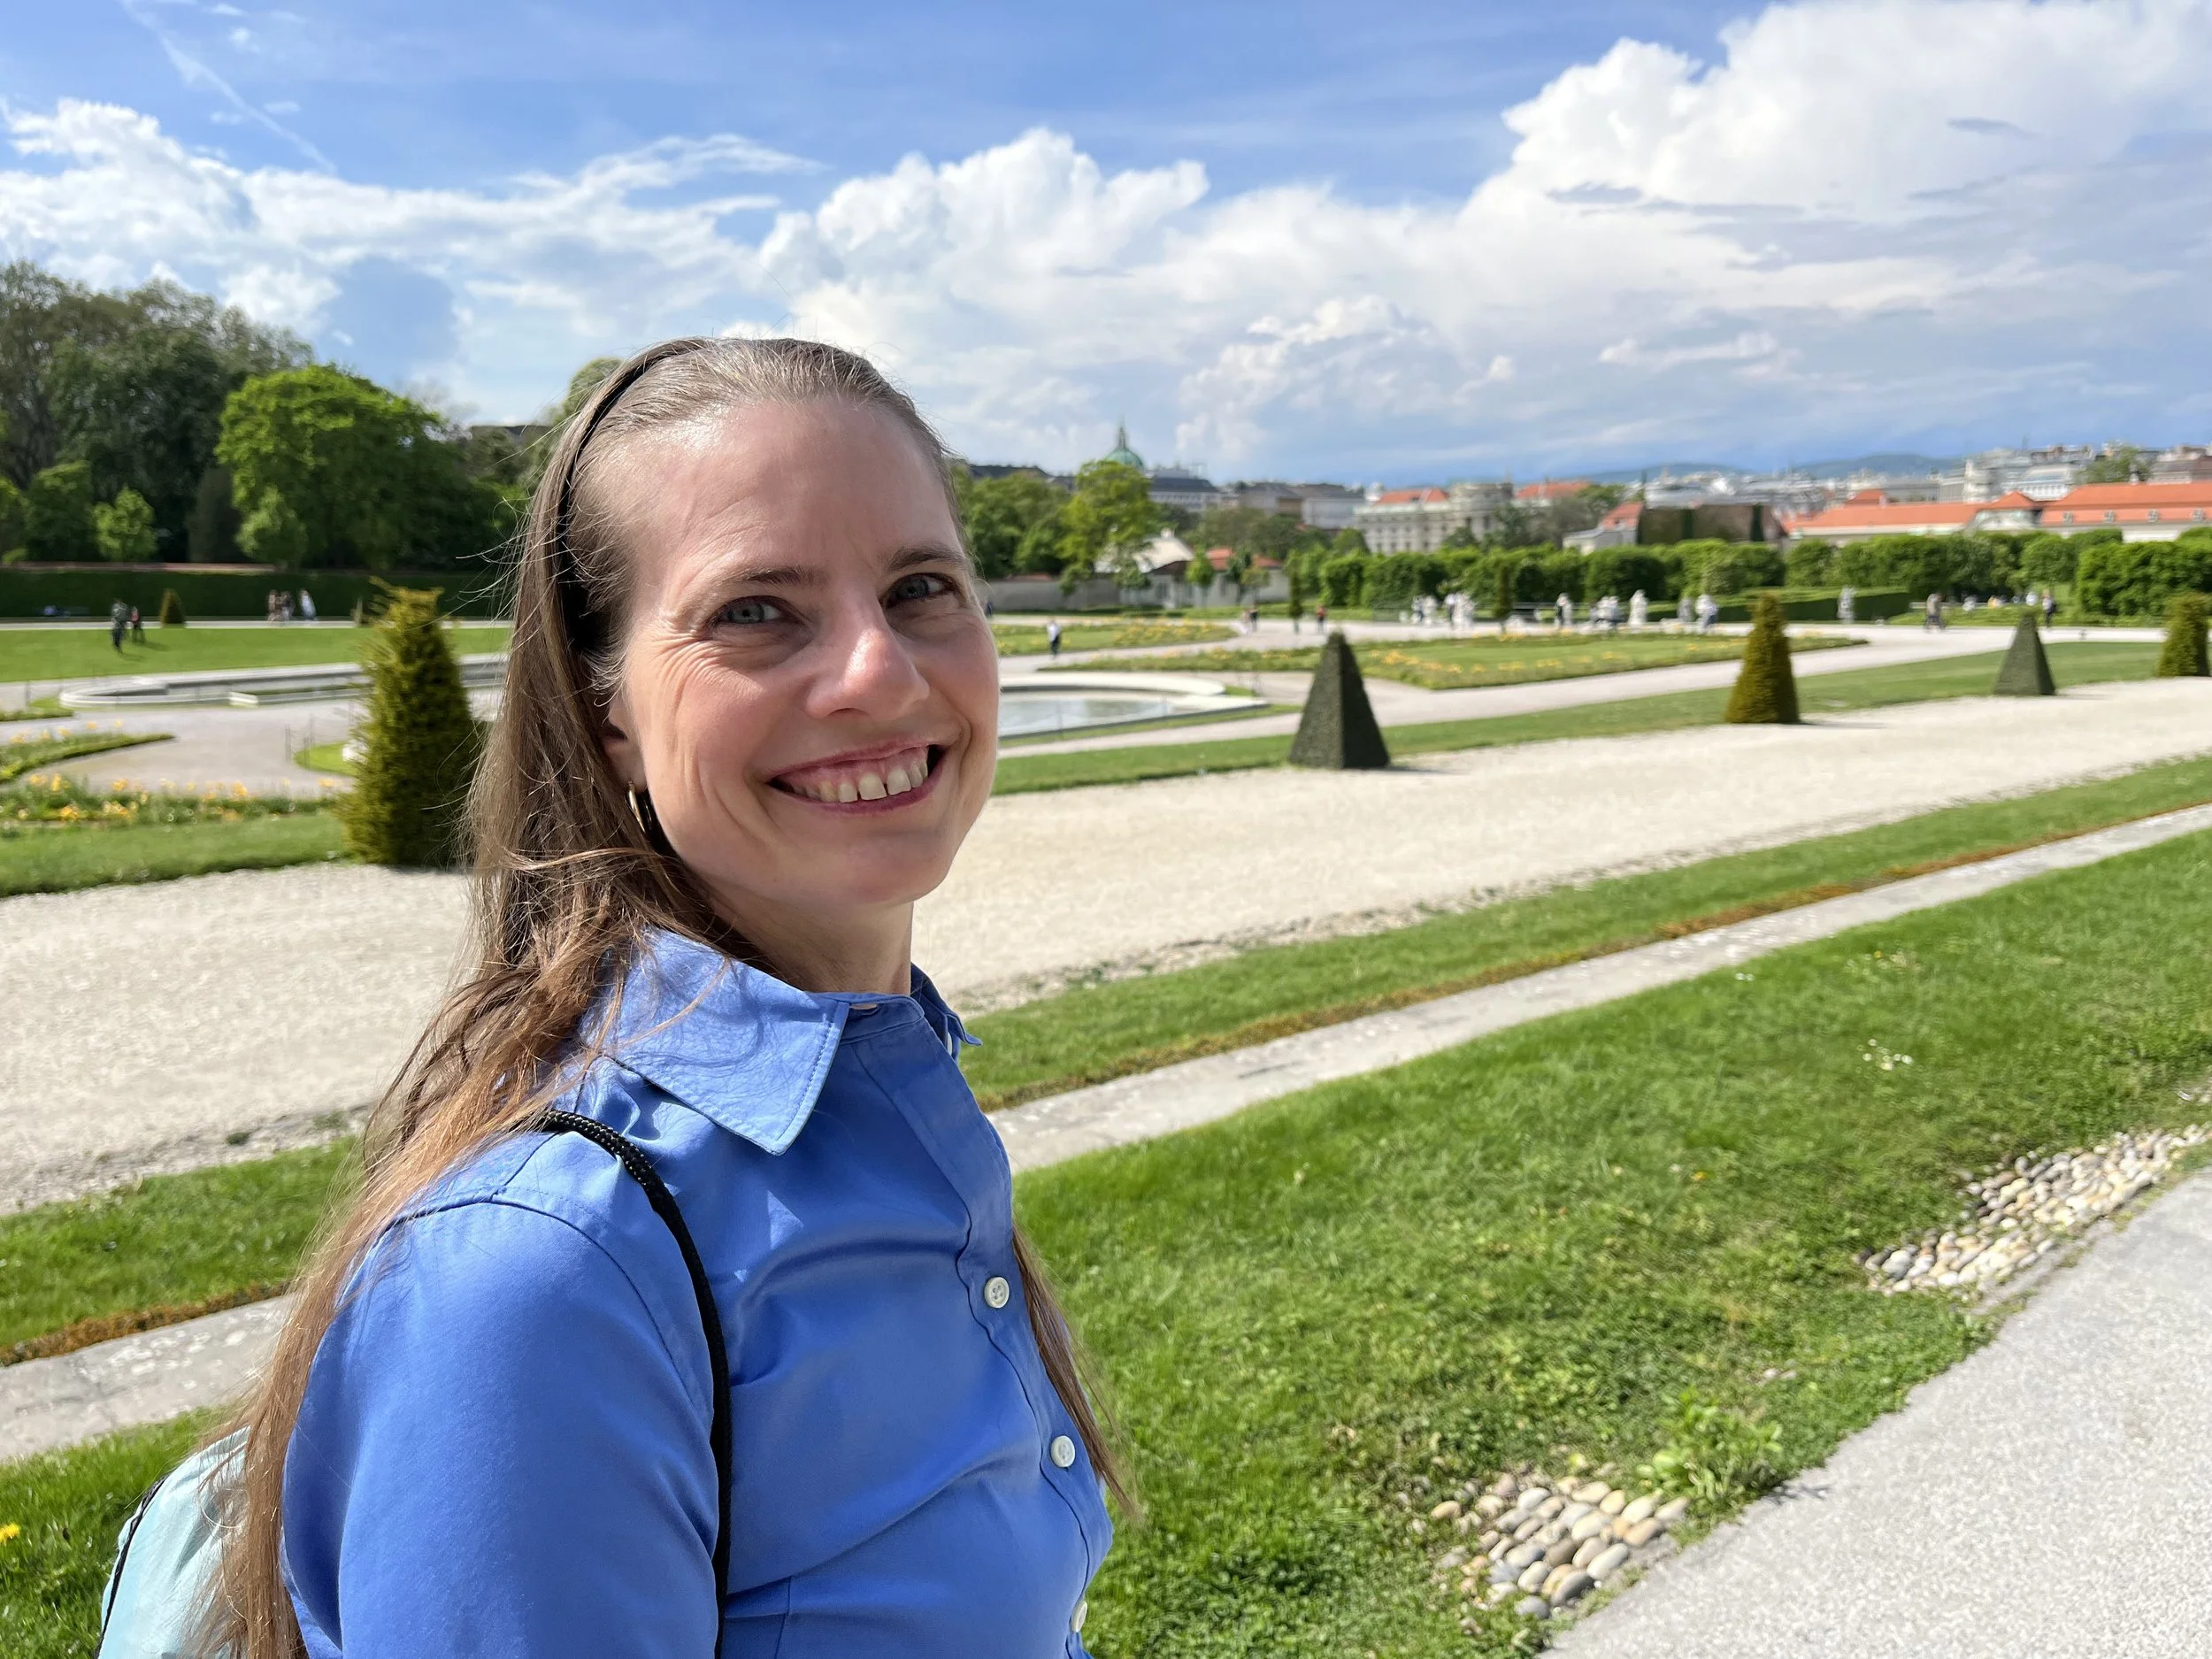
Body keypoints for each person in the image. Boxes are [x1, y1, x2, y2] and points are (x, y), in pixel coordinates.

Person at [206, 339, 1120, 1657]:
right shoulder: (546, 1274)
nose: (880, 670)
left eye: (922, 586)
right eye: (757, 608)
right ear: (608, 712)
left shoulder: (874, 1087)